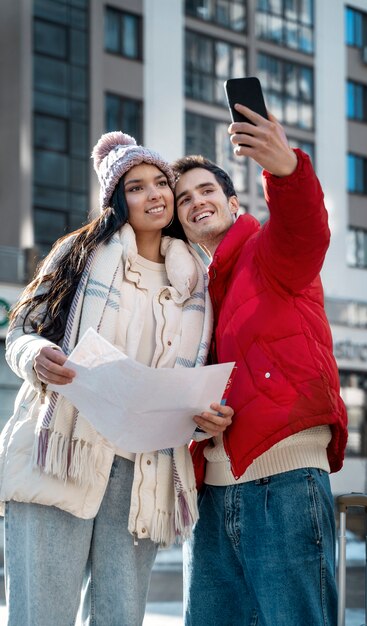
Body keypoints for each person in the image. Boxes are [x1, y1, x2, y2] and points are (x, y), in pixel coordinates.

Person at [0, 131, 233, 626]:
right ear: (117, 201)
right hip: (61, 453)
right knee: (41, 615)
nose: (155, 195)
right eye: (136, 187)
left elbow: (190, 380)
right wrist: (38, 354)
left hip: (142, 469)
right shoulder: (79, 255)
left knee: (120, 617)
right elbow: (20, 331)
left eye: (160, 183)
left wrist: (201, 418)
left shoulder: (198, 281)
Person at [172, 104, 348, 626]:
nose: (195, 201)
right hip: (213, 496)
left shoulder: (268, 252)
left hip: (285, 484)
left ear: (231, 203)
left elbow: (305, 228)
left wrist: (285, 169)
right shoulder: (197, 296)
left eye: (206, 190)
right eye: (184, 199)